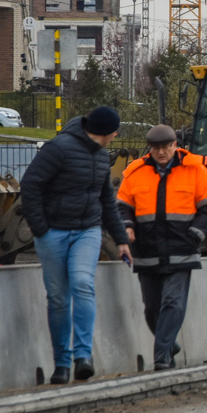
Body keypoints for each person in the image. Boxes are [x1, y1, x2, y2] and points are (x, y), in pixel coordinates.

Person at [20, 105, 132, 384]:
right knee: (58, 298)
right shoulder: (58, 149)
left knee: (83, 283)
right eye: (115, 133)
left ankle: (83, 357)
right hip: (53, 233)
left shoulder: (101, 158)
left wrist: (120, 240)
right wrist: (41, 229)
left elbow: (107, 201)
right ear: (109, 132)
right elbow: (31, 185)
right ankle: (61, 363)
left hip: (87, 231)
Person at [116, 124, 207, 371]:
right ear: (150, 148)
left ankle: (161, 356)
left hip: (181, 247)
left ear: (175, 145)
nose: (161, 152)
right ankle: (169, 343)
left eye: (165, 147)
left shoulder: (195, 169)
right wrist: (128, 227)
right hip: (147, 249)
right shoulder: (135, 172)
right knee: (152, 309)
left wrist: (195, 234)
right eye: (156, 148)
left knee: (172, 303)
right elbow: (122, 205)